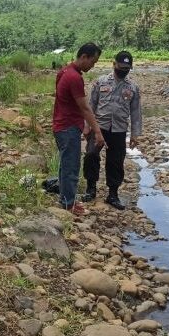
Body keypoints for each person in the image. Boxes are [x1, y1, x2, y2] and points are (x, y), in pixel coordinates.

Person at [83, 51, 143, 210]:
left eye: (127, 68)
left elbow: (136, 112)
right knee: (91, 156)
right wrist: (87, 126)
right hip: (99, 128)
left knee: (116, 161)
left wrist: (135, 134)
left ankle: (113, 194)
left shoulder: (133, 88)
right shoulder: (100, 82)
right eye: (121, 67)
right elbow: (90, 105)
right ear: (114, 64)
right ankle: (90, 189)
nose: (123, 70)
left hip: (119, 129)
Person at [53, 43, 105, 216]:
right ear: (84, 57)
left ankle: (65, 199)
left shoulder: (64, 72)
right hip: (68, 127)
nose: (93, 65)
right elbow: (84, 108)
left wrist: (82, 124)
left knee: (65, 164)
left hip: (61, 125)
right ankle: (68, 204)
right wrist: (97, 131)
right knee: (71, 167)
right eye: (93, 61)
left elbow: (67, 103)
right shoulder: (74, 77)